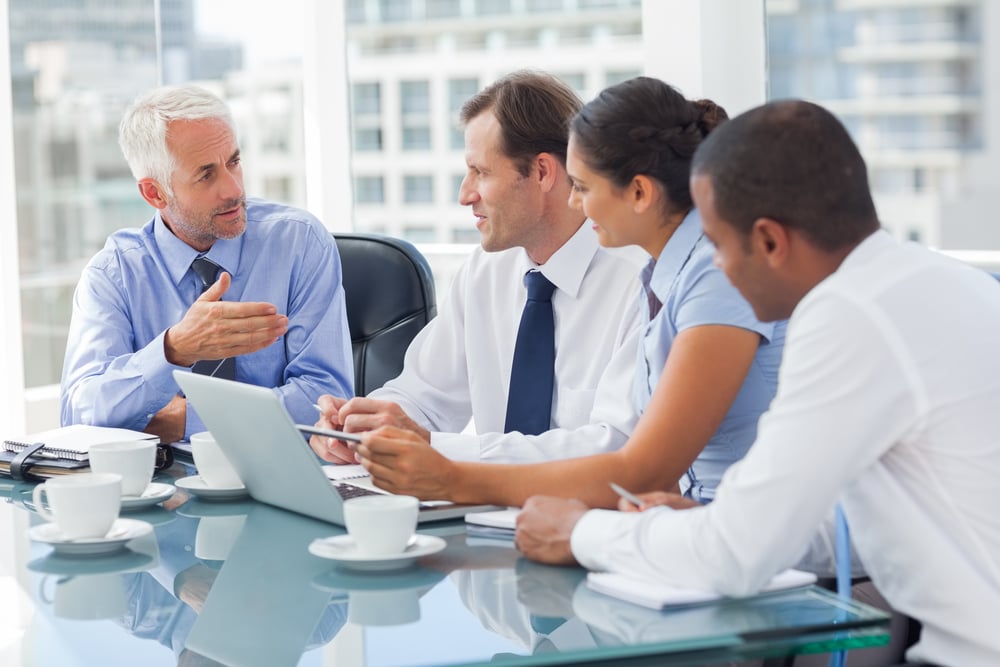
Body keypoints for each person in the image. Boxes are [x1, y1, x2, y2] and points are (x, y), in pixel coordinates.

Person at [515, 100, 1000, 666]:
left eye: (718, 245)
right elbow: (864, 524)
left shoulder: (847, 314)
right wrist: (711, 522)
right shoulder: (941, 284)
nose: (715, 268)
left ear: (769, 241)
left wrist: (580, 533)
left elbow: (734, 557)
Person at [334, 77, 785, 509]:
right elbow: (425, 393)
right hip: (683, 521)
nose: (576, 203)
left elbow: (636, 464)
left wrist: (452, 472)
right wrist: (362, 429)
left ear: (640, 192)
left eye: (584, 187)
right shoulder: (666, 274)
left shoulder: (695, 276)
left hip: (740, 535)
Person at [310, 70, 642, 468]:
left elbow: (617, 448)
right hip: (486, 511)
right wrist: (359, 425)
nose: (465, 195)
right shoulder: (486, 270)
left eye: (481, 173)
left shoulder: (639, 280)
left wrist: (433, 446)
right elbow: (422, 394)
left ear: (541, 172)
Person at [61, 85, 353, 443]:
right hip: (158, 487)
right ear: (155, 193)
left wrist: (188, 421)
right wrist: (173, 349)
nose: (233, 189)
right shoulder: (114, 274)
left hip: (283, 475)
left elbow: (326, 400)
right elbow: (79, 413)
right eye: (206, 175)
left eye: (234, 162)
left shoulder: (299, 243)